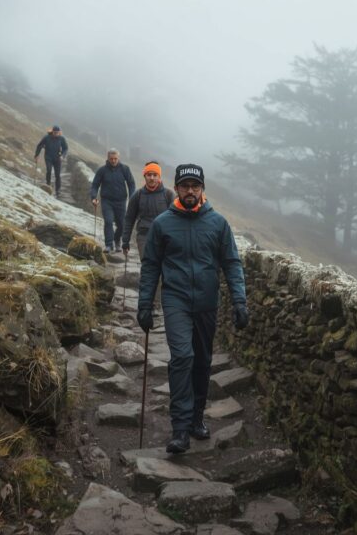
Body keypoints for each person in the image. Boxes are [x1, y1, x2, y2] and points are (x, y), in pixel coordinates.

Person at [137, 163, 250, 453]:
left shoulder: (218, 223)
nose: (190, 191)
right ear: (176, 187)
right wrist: (145, 305)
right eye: (185, 186)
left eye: (195, 186)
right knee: (183, 357)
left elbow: (232, 263)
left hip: (206, 303)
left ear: (202, 189)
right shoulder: (163, 223)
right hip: (175, 300)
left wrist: (239, 300)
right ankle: (180, 429)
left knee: (201, 362)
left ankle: (197, 418)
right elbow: (151, 266)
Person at [121, 161, 174, 258]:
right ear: (145, 176)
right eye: (149, 175)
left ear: (159, 177)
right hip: (144, 236)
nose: (152, 178)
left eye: (155, 175)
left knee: (164, 267)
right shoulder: (137, 195)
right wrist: (125, 241)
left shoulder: (169, 195)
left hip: (164, 236)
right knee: (147, 265)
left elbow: (176, 219)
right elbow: (129, 219)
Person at [90, 148, 136, 252]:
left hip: (121, 201)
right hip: (107, 201)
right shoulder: (102, 170)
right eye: (111, 159)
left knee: (122, 224)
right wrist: (93, 197)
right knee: (108, 221)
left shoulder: (125, 169)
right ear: (108, 158)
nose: (114, 161)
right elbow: (95, 185)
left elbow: (131, 183)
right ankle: (109, 245)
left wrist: (132, 197)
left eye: (115, 158)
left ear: (118, 158)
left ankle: (117, 240)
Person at [34, 125, 69, 198]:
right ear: (52, 132)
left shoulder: (61, 139)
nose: (56, 134)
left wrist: (62, 156)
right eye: (55, 132)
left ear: (59, 132)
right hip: (48, 157)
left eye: (57, 132)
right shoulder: (47, 137)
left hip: (57, 159)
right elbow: (40, 145)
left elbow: (65, 148)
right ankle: (48, 185)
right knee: (49, 170)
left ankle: (57, 191)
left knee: (57, 175)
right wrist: (36, 155)